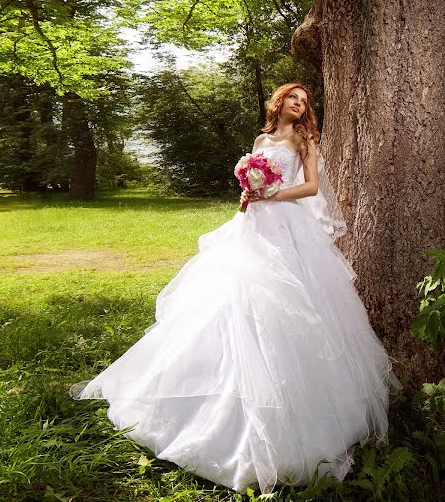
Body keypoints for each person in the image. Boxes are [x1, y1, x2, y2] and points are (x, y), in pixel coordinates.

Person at [70, 83, 402, 494]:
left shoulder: (305, 139)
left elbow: (312, 187)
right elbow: (253, 182)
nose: (299, 106)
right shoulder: (261, 139)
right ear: (279, 103)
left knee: (288, 306)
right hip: (252, 226)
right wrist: (249, 192)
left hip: (287, 229)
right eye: (293, 99)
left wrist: (272, 192)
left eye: (305, 102)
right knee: (230, 301)